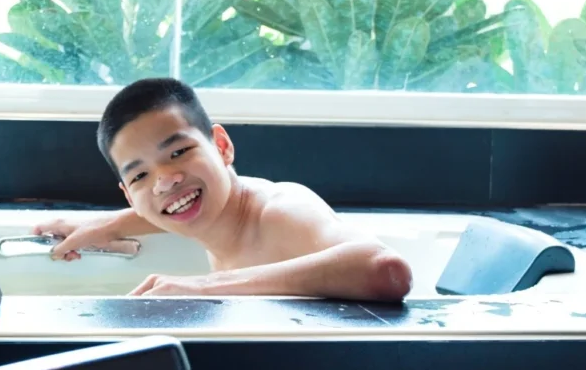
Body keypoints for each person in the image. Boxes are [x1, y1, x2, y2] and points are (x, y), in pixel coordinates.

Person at [31, 77, 413, 302]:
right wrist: (107, 227)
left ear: (222, 146)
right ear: (129, 196)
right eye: (140, 176)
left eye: (179, 152)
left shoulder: (281, 212)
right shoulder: (216, 214)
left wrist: (206, 287)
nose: (165, 180)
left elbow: (388, 271)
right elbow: (180, 202)